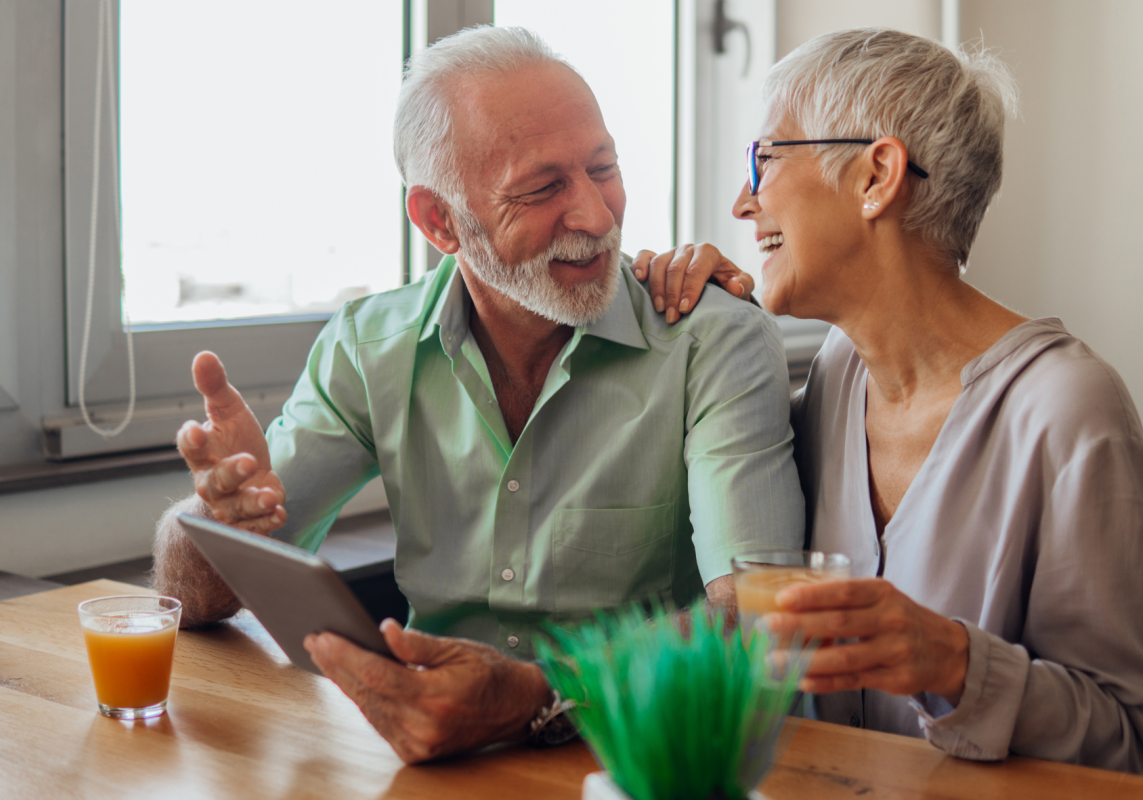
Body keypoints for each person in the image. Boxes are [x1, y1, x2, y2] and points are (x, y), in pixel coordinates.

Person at [152, 26, 804, 763]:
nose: (596, 215)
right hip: (433, 758)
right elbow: (203, 599)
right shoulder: (369, 349)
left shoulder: (711, 340)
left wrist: (536, 698)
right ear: (440, 222)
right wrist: (213, 519)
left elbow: (757, 617)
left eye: (604, 167)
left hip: (638, 758)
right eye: (542, 188)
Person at [639, 27, 1143, 771]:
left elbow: (1126, 739)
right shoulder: (837, 374)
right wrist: (698, 317)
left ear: (878, 176)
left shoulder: (1070, 412)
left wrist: (957, 663)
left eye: (765, 159)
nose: (744, 202)